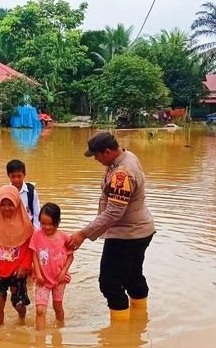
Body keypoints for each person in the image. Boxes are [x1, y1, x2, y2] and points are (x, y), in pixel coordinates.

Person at [66, 131, 155, 321]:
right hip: (140, 230)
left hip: (127, 235)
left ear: (107, 152)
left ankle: (120, 334)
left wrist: (83, 234)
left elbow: (114, 212)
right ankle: (140, 321)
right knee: (133, 276)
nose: (96, 159)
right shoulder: (127, 156)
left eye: (96, 155)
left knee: (109, 284)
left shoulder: (122, 173)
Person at [0, 184, 34, 326]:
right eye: (3, 204)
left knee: (18, 304)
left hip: (17, 272)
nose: (7, 208)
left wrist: (25, 266)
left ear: (17, 204)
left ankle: (22, 320)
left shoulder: (26, 226)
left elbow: (30, 248)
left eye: (10, 204)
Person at [30, 202, 74, 330]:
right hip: (42, 279)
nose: (46, 227)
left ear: (58, 222)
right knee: (40, 310)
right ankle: (40, 340)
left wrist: (63, 272)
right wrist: (38, 274)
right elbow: (34, 255)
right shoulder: (37, 235)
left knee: (57, 307)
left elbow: (70, 256)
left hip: (59, 280)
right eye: (43, 223)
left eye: (50, 224)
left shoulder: (64, 237)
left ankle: (60, 331)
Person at [6, 159, 41, 228]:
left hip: (28, 227)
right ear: (8, 176)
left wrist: (35, 230)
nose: (16, 179)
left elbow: (37, 212)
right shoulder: (5, 192)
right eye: (13, 176)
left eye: (19, 176)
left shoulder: (31, 191)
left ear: (24, 175)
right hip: (11, 227)